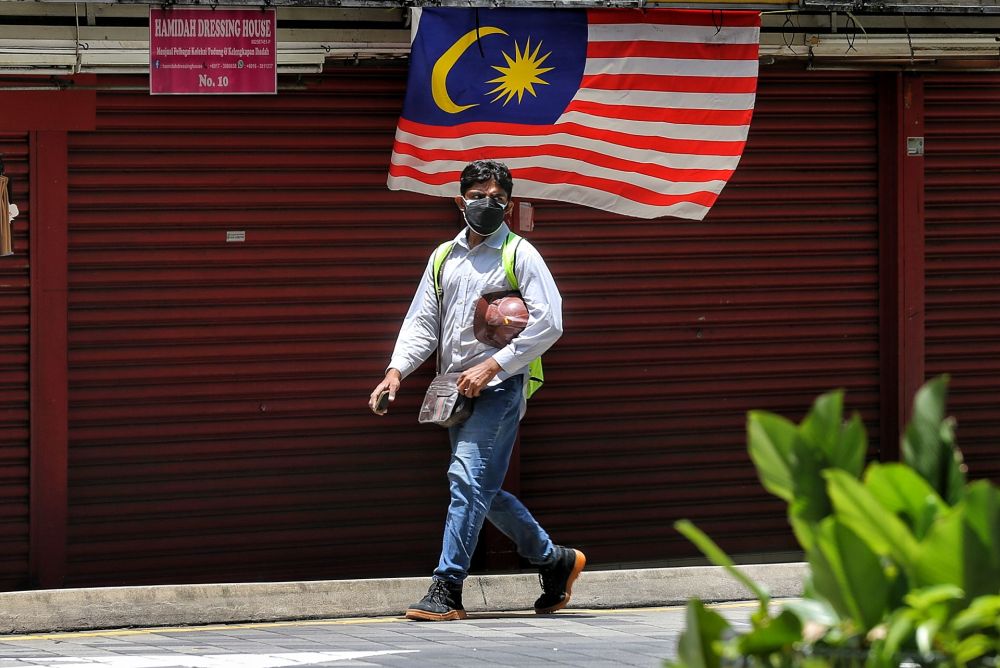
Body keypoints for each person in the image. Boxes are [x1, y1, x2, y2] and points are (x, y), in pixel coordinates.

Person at [369, 160, 585, 622]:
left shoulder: (520, 253)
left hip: (500, 387)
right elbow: (423, 322)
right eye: (479, 195)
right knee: (482, 487)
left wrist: (494, 365)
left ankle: (446, 588)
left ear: (508, 203)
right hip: (454, 389)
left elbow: (551, 322)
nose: (488, 203)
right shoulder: (443, 256)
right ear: (459, 199)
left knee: (466, 481)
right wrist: (396, 371)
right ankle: (555, 561)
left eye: (497, 197)